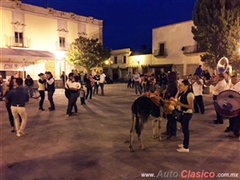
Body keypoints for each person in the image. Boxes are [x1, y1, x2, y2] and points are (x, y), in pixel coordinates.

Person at [173, 80, 194, 152]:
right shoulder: (183, 93)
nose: (180, 86)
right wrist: (178, 91)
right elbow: (176, 98)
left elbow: (190, 106)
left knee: (186, 130)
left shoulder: (189, 94)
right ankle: (184, 143)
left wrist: (179, 104)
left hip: (187, 113)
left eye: (181, 85)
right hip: (183, 113)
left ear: (186, 86)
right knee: (183, 129)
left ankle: (186, 147)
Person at [162, 72, 178, 139]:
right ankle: (168, 131)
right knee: (169, 117)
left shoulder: (173, 84)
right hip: (170, 101)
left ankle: (172, 133)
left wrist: (164, 95)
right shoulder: (172, 83)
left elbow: (169, 93)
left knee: (172, 118)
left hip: (171, 102)